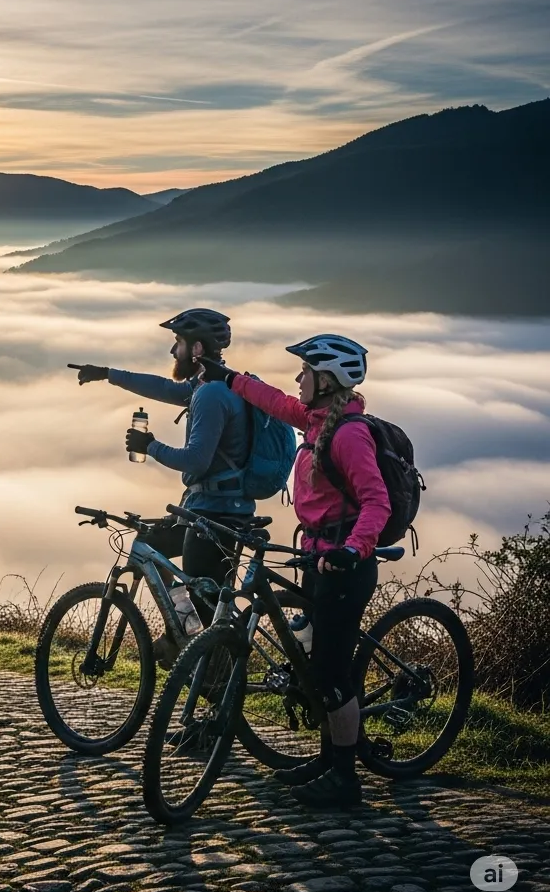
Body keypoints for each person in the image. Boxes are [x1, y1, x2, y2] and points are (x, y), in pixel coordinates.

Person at [199, 334, 391, 809]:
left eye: (306, 372)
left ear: (328, 381)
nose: (298, 378)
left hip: (345, 566)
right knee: (317, 666)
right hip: (317, 558)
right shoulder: (316, 421)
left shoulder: (348, 434)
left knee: (330, 674)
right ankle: (330, 758)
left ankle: (345, 780)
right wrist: (232, 379)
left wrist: (353, 549)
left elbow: (376, 501)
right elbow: (277, 402)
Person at [69, 308, 254, 663]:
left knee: (208, 627)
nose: (173, 352)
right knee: (150, 544)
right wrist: (108, 374)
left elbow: (195, 460)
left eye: (178, 343)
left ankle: (211, 687)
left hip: (215, 517)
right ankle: (179, 633)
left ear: (197, 348)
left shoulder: (211, 394)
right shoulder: (211, 383)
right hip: (209, 510)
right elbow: (164, 387)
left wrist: (149, 446)